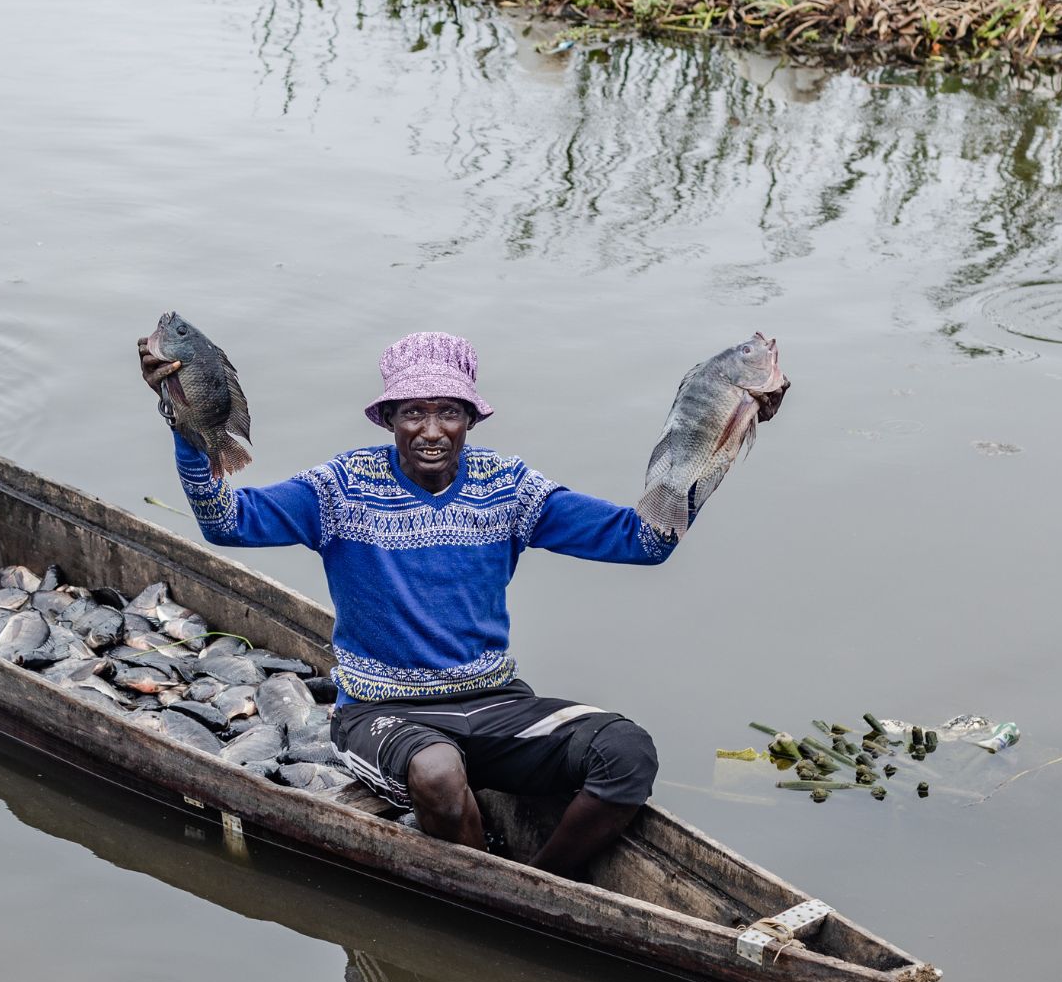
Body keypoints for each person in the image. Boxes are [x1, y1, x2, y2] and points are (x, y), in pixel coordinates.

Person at [139, 330, 775, 879]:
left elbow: (644, 541)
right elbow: (226, 522)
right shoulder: (337, 488)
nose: (432, 430)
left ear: (471, 418)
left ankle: (540, 882)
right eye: (414, 412)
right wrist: (183, 414)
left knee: (627, 752)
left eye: (449, 411)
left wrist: (716, 444)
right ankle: (498, 884)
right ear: (389, 418)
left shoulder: (510, 489)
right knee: (440, 774)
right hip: (380, 712)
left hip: (494, 704)